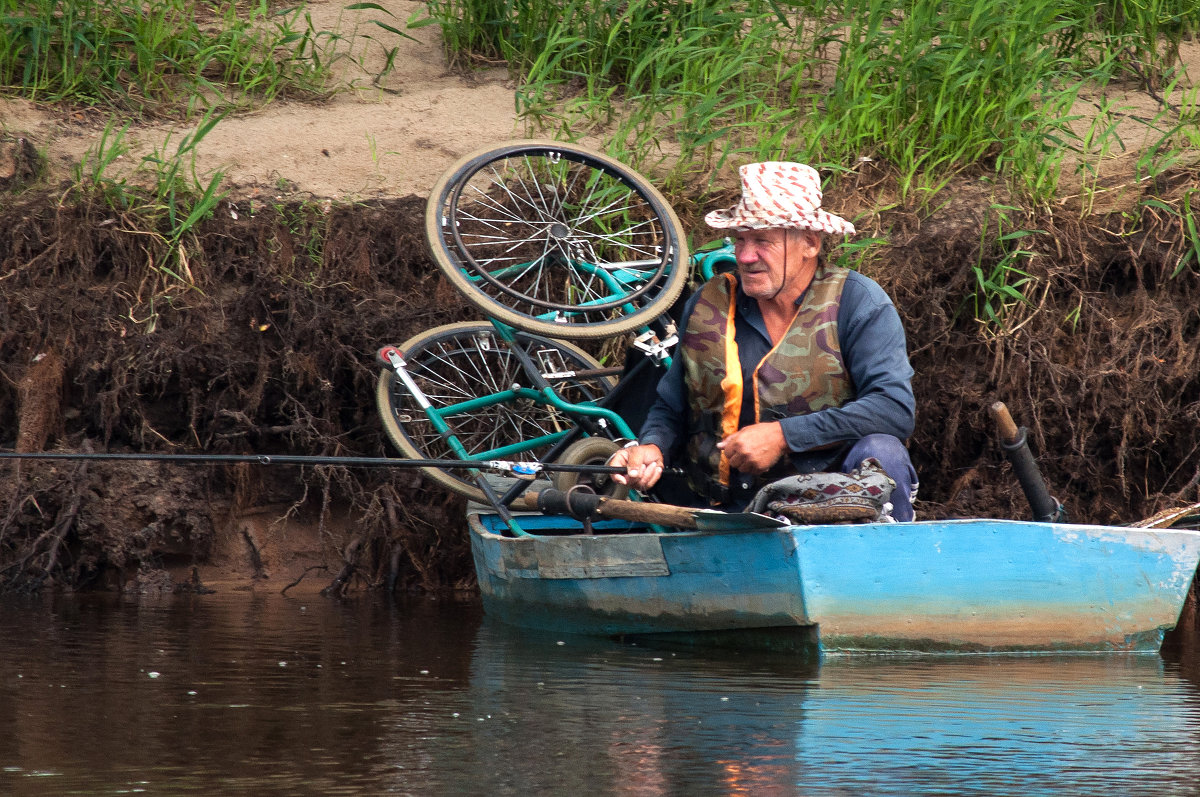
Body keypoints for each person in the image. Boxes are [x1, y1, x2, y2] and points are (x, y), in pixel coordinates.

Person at [609, 161, 918, 521]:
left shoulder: (858, 302)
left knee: (883, 449)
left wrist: (783, 435)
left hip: (831, 500)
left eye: (762, 241)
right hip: (723, 506)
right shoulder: (709, 302)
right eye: (740, 239)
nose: (744, 255)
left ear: (810, 244)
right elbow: (671, 406)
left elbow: (893, 409)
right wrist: (652, 447)